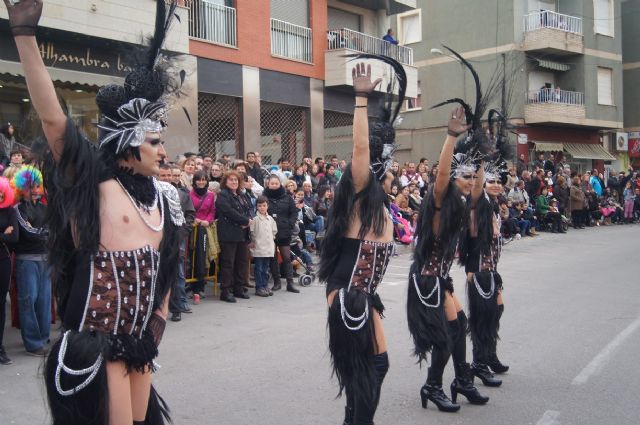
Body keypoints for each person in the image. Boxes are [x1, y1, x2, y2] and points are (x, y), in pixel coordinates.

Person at [4, 1, 186, 423]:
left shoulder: (163, 198)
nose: (163, 151)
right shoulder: (92, 185)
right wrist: (25, 37)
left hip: (138, 343)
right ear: (127, 141)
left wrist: (159, 318)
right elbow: (54, 123)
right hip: (94, 343)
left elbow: (165, 268)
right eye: (155, 141)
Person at [408, 51, 492, 413]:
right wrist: (450, 138)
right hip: (426, 281)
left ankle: (461, 380)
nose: (469, 182)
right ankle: (432, 386)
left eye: (471, 177)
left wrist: (483, 157)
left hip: (440, 280)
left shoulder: (463, 205)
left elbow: (475, 188)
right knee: (446, 336)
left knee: (460, 328)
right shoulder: (440, 203)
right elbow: (443, 177)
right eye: (465, 176)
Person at [319, 59, 401, 425]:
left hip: (363, 294)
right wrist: (361, 100)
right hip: (347, 292)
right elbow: (360, 149)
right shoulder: (358, 197)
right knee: (366, 370)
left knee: (375, 367)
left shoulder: (382, 207)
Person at [462, 158, 510, 392]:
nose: (496, 184)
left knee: (496, 311)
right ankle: (479, 364)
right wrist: (480, 160)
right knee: (482, 320)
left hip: (491, 271)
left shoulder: (492, 204)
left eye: (499, 181)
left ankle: (489, 355)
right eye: (490, 181)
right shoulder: (477, 203)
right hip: (478, 270)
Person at [161, 165, 195, 323]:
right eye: (164, 175)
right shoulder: (151, 192)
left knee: (176, 274)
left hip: (176, 239)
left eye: (169, 175)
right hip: (157, 238)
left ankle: (176, 307)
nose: (167, 178)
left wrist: (183, 232)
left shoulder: (182, 194)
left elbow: (190, 214)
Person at [215, 170, 252, 303]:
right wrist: (244, 221)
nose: (234, 182)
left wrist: (248, 220)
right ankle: (225, 291)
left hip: (243, 233)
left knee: (241, 261)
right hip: (229, 233)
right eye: (230, 179)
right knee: (228, 262)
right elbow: (228, 211)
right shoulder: (222, 195)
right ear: (225, 182)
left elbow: (249, 209)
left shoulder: (242, 195)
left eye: (236, 180)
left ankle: (239, 288)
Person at [264, 174, 300, 293]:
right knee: (273, 258)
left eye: (276, 183)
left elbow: (294, 212)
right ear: (268, 184)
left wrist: (290, 224)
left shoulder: (287, 197)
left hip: (284, 231)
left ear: (280, 184)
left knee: (286, 257)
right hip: (269, 232)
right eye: (272, 183)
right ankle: (277, 282)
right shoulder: (264, 197)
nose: (274, 185)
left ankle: (290, 283)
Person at [189, 170, 216, 302]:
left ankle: (199, 287)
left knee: (202, 257)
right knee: (190, 257)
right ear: (194, 181)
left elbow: (212, 211)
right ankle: (190, 286)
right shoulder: (189, 194)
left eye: (203, 179)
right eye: (198, 179)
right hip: (192, 229)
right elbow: (187, 209)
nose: (201, 182)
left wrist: (207, 221)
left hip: (204, 229)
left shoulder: (211, 195)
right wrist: (195, 219)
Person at [0, 176, 16, 365]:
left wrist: (5, 237)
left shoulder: (10, 211)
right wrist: (4, 234)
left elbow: (15, 238)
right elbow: (8, 237)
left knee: (0, 306)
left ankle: (0, 347)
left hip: (3, 261)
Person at [249, 196, 278, 297]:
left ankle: (265, 285)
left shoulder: (270, 219)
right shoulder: (255, 219)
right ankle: (259, 287)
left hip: (268, 248)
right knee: (259, 268)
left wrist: (271, 241)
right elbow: (252, 232)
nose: (262, 208)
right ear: (256, 207)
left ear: (267, 206)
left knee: (266, 268)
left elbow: (274, 231)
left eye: (264, 205)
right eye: (259, 206)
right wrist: (253, 242)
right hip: (259, 248)